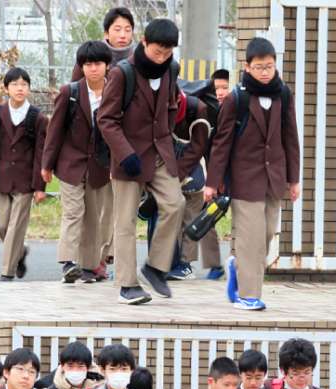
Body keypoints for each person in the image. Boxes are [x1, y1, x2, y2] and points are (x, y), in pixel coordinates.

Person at [205, 37, 300, 310]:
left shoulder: (284, 95)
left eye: (269, 66)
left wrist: (294, 179)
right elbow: (221, 143)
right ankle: (248, 295)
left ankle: (237, 267)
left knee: (266, 235)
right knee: (250, 239)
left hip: (274, 178)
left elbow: (290, 138)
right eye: (259, 67)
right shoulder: (237, 98)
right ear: (247, 67)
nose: (265, 72)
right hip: (244, 179)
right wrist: (213, 182)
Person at [98, 18, 186, 305]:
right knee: (125, 222)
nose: (161, 57)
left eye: (167, 52)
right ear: (144, 42)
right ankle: (127, 285)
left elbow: (171, 107)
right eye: (157, 51)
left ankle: (156, 267)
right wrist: (125, 154)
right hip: (129, 158)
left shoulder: (171, 69)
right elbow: (106, 119)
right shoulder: (122, 73)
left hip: (160, 154)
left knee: (175, 204)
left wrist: (168, 141)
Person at [71, 7, 136, 278]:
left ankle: (102, 258)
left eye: (127, 29)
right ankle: (89, 259)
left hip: (123, 144)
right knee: (93, 208)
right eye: (117, 29)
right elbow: (76, 100)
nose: (122, 35)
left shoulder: (137, 61)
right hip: (92, 145)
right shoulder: (89, 58)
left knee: (114, 207)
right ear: (106, 32)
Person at [42, 41, 112, 284]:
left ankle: (90, 267)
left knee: (93, 217)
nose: (93, 68)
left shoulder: (116, 92)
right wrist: (46, 164)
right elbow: (55, 130)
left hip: (100, 165)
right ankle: (68, 262)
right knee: (73, 212)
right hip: (70, 164)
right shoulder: (69, 92)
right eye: (88, 64)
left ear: (107, 65)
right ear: (81, 66)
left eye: (98, 63)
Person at [0, 67, 47, 281]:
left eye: (24, 85)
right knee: (2, 226)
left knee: (15, 228)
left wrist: (39, 187)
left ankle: (6, 273)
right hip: (2, 179)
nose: (20, 88)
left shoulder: (37, 117)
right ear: (6, 88)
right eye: (15, 84)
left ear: (29, 88)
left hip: (26, 181)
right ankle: (21, 251)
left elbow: (41, 154)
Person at [166, 89, 222, 281]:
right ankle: (174, 263)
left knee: (194, 219)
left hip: (197, 171)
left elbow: (199, 149)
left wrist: (213, 181)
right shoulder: (162, 109)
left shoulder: (199, 110)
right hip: (174, 169)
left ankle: (187, 265)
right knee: (180, 218)